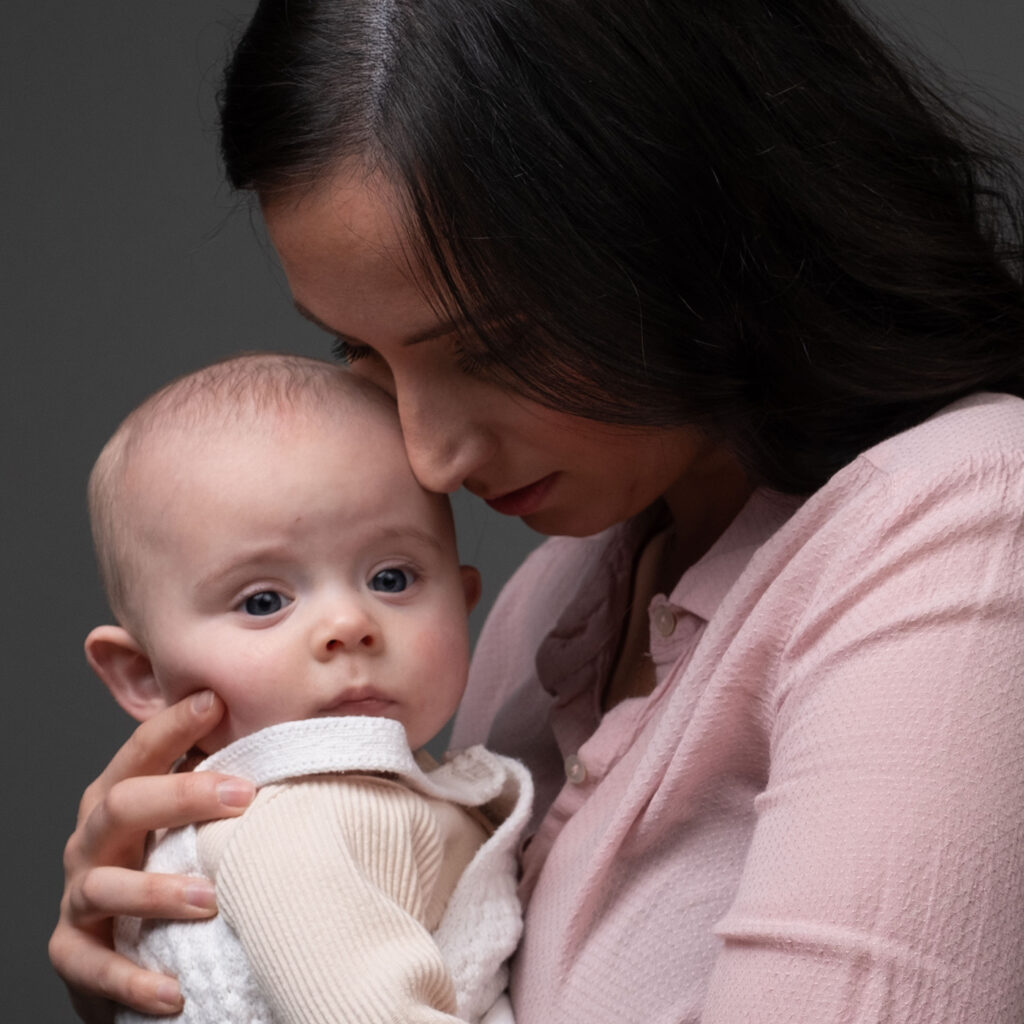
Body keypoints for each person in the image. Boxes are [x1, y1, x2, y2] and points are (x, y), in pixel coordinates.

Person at [50, 1, 1024, 1021]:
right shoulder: (547, 607)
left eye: (491, 348)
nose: (427, 454)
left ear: (692, 229)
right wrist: (180, 960)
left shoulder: (961, 527)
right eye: (363, 353)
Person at [81, 352, 532, 1023]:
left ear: (462, 601)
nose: (348, 625)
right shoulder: (300, 819)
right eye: (264, 600)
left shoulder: (369, 794)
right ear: (145, 674)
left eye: (391, 579)